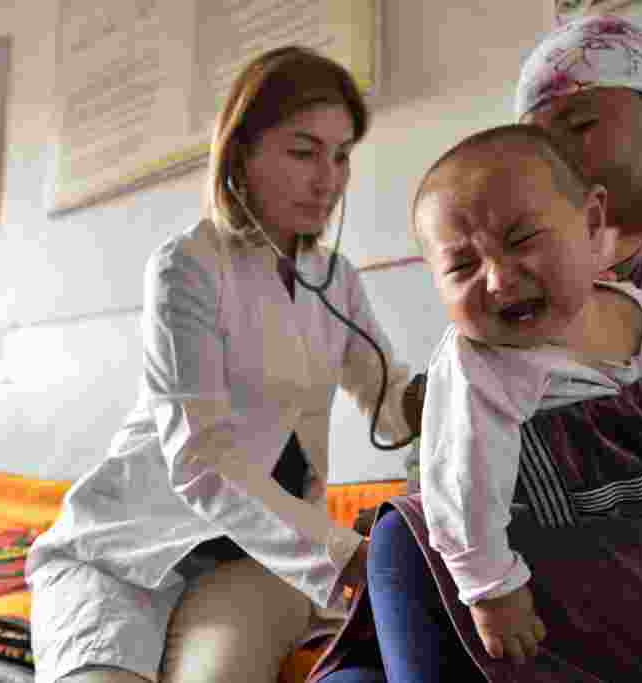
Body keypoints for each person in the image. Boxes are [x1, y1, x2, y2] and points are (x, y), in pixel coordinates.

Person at [311, 14, 642, 683]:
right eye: (540, 142)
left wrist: (499, 470)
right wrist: (456, 462)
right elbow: (463, 432)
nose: (560, 154)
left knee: (420, 543)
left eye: (582, 124)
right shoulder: (522, 298)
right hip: (615, 545)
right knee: (384, 611)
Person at [25, 46, 422, 683]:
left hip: (255, 557)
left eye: (341, 155)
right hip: (128, 544)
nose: (329, 179)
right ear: (241, 152)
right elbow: (200, 456)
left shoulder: (335, 279)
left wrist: (456, 401)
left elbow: (385, 392)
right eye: (303, 151)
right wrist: (346, 555)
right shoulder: (188, 265)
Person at [412, 123, 642, 664]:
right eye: (462, 266)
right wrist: (491, 589)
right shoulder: (479, 363)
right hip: (510, 543)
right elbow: (460, 483)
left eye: (521, 241)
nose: (497, 280)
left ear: (589, 223)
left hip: (626, 538)